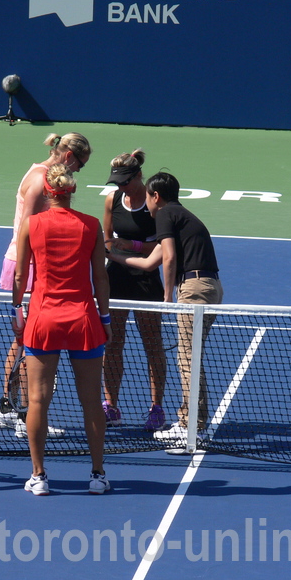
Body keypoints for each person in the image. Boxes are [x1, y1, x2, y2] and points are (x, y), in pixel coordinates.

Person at [12, 163, 112, 495]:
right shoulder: (91, 225)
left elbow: (19, 276)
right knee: (92, 401)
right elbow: (100, 277)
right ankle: (97, 475)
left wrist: (16, 308)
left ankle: (38, 476)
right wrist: (106, 318)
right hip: (83, 320)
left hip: (43, 320)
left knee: (38, 400)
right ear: (71, 192)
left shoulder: (32, 224)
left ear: (50, 192)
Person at [107, 171, 223, 447]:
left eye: (147, 197)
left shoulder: (164, 214)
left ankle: (192, 426)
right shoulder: (178, 216)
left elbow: (169, 258)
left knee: (188, 360)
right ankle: (189, 422)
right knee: (189, 358)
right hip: (207, 287)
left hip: (194, 289)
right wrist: (110, 255)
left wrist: (166, 297)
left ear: (155, 196)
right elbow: (149, 263)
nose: (145, 203)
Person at [0, 132, 92, 440]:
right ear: (68, 157)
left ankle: (8, 408)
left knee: (23, 339)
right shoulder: (40, 181)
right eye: (80, 164)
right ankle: (25, 414)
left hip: (30, 264)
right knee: (30, 340)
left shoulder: (38, 171)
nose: (79, 171)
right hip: (31, 266)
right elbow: (28, 230)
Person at [101, 149, 166, 431]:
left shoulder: (156, 203)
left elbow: (166, 245)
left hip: (147, 281)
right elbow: (106, 240)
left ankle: (157, 408)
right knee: (112, 343)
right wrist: (118, 253)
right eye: (117, 182)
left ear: (139, 175)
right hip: (115, 279)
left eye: (125, 181)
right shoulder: (112, 199)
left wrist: (133, 247)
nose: (121, 186)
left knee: (152, 344)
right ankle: (111, 406)